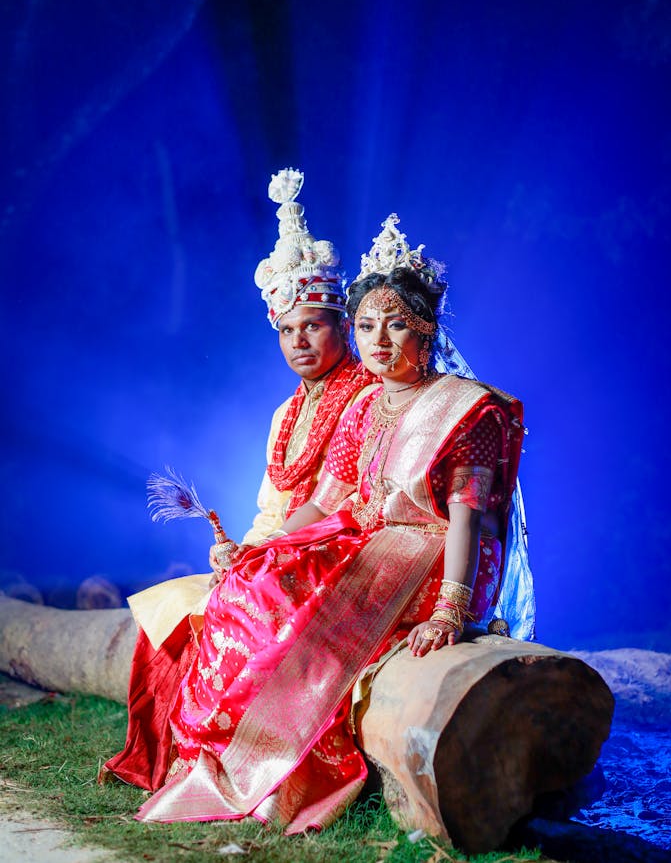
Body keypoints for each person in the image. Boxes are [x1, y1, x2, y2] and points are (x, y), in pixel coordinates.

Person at [133, 214, 535, 832]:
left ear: (428, 327)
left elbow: (467, 519)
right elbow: (327, 498)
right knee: (255, 583)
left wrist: (450, 610)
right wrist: (263, 550)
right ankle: (214, 751)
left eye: (396, 324)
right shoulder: (368, 401)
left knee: (296, 607)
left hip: (426, 554)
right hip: (365, 535)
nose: (378, 340)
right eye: (369, 325)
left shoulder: (466, 409)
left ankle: (279, 763)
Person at [102, 168, 374, 790]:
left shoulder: (367, 396)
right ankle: (174, 761)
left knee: (239, 606)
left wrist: (261, 556)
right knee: (174, 609)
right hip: (279, 549)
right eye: (286, 329)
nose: (299, 341)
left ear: (341, 324)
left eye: (313, 324)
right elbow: (272, 507)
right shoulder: (287, 413)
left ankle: (244, 768)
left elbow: (354, 500)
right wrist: (237, 549)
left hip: (339, 553)